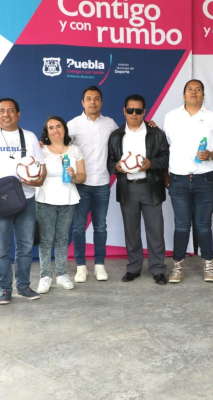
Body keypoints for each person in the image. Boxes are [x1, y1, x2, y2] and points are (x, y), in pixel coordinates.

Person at [0, 98, 46, 304]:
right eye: (2, 111)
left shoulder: (29, 137)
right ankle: (5, 289)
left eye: (10, 111)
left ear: (18, 114)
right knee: (1, 249)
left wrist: (39, 181)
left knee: (25, 246)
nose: (6, 115)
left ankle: (23, 286)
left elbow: (42, 167)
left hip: (26, 200)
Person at [163, 79, 213, 283]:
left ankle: (208, 263)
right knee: (181, 225)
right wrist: (166, 177)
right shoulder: (171, 117)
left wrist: (210, 155)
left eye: (198, 89)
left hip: (205, 180)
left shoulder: (212, 117)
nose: (194, 92)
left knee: (203, 225)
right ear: (183, 95)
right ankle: (177, 265)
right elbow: (165, 149)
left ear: (203, 95)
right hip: (179, 179)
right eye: (190, 89)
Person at [107, 94, 170, 285]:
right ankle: (134, 268)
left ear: (144, 112)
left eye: (138, 110)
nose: (134, 114)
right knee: (131, 231)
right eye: (130, 110)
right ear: (124, 111)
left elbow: (166, 158)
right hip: (127, 188)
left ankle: (158, 269)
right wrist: (116, 167)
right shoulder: (116, 135)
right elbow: (109, 161)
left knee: (155, 231)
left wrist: (152, 163)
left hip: (151, 187)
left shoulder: (156, 133)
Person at [67, 86, 118, 283]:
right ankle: (81, 267)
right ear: (82, 102)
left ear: (101, 102)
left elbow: (123, 140)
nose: (92, 102)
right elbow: (60, 146)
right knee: (79, 227)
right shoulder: (73, 125)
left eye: (96, 98)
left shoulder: (110, 123)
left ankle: (99, 266)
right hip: (81, 183)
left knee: (101, 226)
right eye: (88, 99)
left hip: (102, 182)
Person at [36, 116, 86, 293]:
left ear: (64, 129)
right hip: (45, 199)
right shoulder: (40, 150)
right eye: (51, 128)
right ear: (47, 132)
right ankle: (45, 276)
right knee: (46, 239)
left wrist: (73, 176)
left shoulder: (74, 150)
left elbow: (83, 176)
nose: (55, 130)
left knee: (62, 239)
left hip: (67, 199)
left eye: (58, 126)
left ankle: (62, 274)